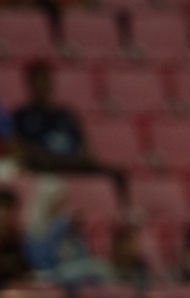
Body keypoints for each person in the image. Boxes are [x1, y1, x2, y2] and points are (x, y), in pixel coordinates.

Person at [12, 60, 126, 197]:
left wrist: (83, 160)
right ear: (29, 84)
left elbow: (87, 149)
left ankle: (125, 214)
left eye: (45, 81)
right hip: (44, 167)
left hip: (72, 163)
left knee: (116, 174)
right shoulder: (20, 116)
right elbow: (19, 149)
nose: (42, 85)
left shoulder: (66, 114)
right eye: (37, 81)